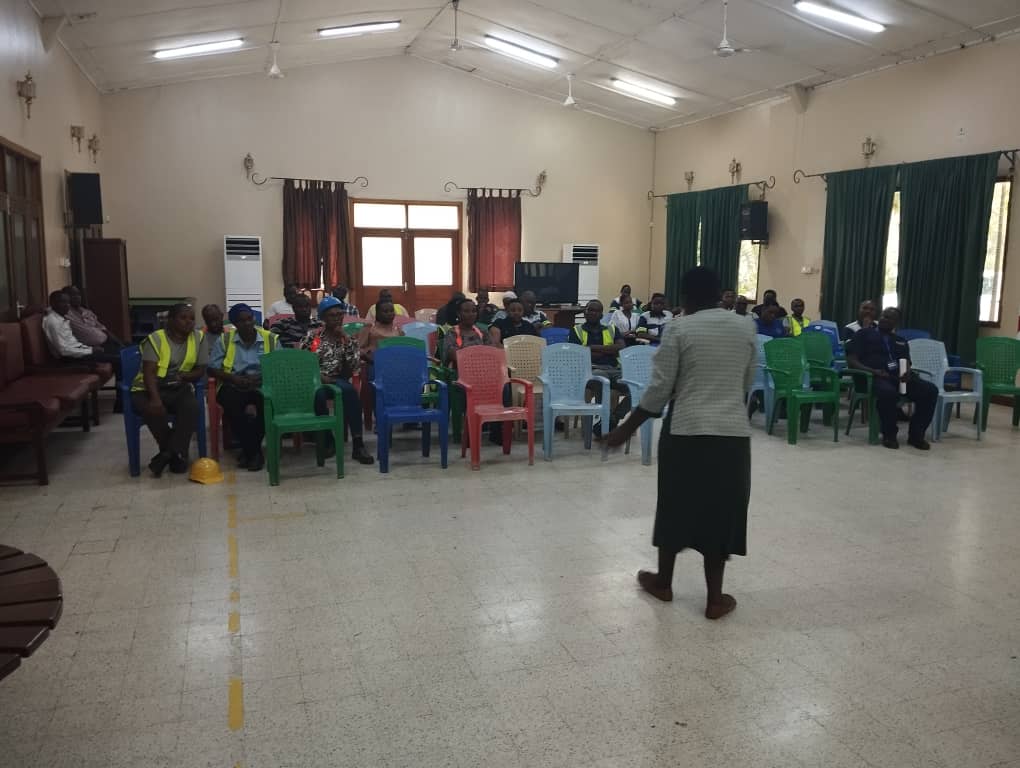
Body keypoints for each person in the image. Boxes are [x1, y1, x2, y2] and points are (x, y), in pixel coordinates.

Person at [606, 267, 756, 620]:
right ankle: (715, 599)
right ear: (720, 293)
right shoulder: (745, 326)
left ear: (685, 297)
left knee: (675, 505)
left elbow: (659, 389)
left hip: (686, 433)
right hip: (732, 436)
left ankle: (664, 582)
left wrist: (625, 429)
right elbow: (747, 380)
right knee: (721, 511)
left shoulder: (678, 328)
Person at [130, 303, 209, 477]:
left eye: (192, 318)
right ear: (171, 320)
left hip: (178, 387)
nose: (189, 322)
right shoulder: (156, 338)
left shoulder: (199, 338)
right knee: (154, 411)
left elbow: (201, 370)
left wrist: (185, 377)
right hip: (147, 388)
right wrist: (155, 399)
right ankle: (175, 454)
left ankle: (167, 454)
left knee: (192, 408)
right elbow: (149, 372)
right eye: (183, 318)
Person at [846, 307, 937, 451]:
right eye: (883, 315)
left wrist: (906, 371)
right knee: (888, 393)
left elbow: (906, 361)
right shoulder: (863, 334)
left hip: (898, 377)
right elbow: (852, 359)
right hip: (874, 377)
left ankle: (916, 435)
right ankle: (889, 435)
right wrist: (873, 371)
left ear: (896, 322)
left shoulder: (900, 340)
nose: (883, 319)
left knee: (930, 390)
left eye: (888, 318)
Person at [302, 297, 374, 464]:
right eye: (332, 315)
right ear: (323, 318)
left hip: (337, 380)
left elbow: (354, 366)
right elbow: (305, 362)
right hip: (315, 380)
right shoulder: (314, 338)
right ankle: (327, 440)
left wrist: (347, 341)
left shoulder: (346, 339)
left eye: (339, 314)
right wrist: (320, 377)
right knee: (319, 395)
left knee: (349, 391)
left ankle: (358, 444)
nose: (337, 318)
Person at [209, 304, 279, 470]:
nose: (247, 323)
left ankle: (249, 451)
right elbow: (212, 368)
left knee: (267, 404)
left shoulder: (270, 338)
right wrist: (233, 378)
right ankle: (254, 452)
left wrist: (261, 377)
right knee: (232, 405)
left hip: (263, 383)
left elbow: (278, 365)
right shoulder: (224, 340)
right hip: (233, 383)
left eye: (249, 319)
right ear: (234, 324)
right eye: (241, 321)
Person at [43, 290, 125, 411]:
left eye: (67, 302)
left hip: (78, 353)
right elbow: (64, 350)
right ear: (53, 304)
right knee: (118, 360)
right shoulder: (52, 321)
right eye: (62, 302)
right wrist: (90, 351)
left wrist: (90, 349)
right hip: (68, 359)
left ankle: (124, 398)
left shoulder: (61, 319)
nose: (67, 305)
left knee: (120, 354)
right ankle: (121, 403)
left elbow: (73, 344)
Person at [568, 300, 629, 432]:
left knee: (636, 386)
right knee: (602, 380)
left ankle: (613, 418)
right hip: (591, 371)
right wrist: (609, 350)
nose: (593, 313)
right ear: (585, 312)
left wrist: (592, 348)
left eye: (597, 311)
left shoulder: (612, 329)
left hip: (614, 370)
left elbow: (621, 347)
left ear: (602, 314)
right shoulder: (576, 331)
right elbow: (580, 355)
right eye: (590, 310)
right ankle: (604, 424)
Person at [443, 299, 492, 366]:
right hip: (460, 371)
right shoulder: (452, 333)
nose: (471, 314)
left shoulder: (482, 332)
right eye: (466, 311)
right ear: (458, 314)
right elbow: (454, 355)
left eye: (474, 311)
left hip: (482, 369)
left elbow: (492, 351)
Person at [357, 298, 404, 365]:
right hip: (373, 368)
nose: (389, 313)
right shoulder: (368, 328)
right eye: (385, 311)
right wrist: (369, 358)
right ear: (377, 313)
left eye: (392, 311)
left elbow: (403, 352)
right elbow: (358, 350)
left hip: (394, 367)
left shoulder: (399, 331)